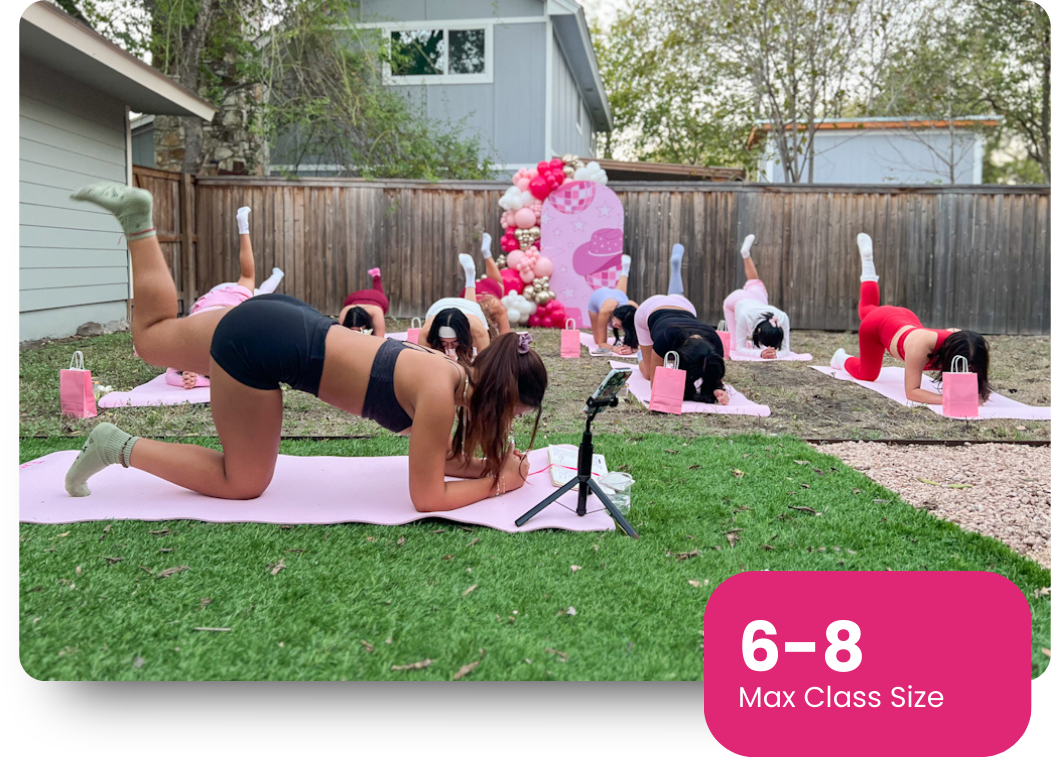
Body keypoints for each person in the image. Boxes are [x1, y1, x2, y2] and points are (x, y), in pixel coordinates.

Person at [63, 182, 548, 513]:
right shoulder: (441, 398)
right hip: (261, 346)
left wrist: (492, 462)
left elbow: (438, 458)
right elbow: (426, 495)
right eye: (517, 415)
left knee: (151, 338)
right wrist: (496, 482)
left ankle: (138, 223)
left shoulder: (449, 371)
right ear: (501, 399)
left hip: (283, 319)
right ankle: (116, 446)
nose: (512, 425)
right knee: (244, 482)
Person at [831, 233, 991, 405]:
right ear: (950, 354)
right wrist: (952, 400)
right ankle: (840, 358)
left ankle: (869, 262)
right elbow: (912, 392)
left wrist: (977, 393)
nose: (967, 371)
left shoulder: (966, 343)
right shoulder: (920, 348)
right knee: (867, 373)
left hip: (906, 319)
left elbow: (977, 385)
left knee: (867, 308)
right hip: (877, 325)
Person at [169, 206, 282, 389]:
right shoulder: (221, 351)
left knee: (252, 282)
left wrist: (199, 380)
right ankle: (275, 272)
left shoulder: (196, 350)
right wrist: (198, 380)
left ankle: (248, 233)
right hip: (218, 302)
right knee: (256, 285)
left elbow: (170, 374)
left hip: (218, 302)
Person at [635, 243, 729, 405]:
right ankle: (640, 354)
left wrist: (717, 389)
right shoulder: (664, 339)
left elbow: (713, 376)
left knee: (674, 296)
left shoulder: (715, 345)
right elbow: (657, 386)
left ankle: (676, 267)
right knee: (649, 373)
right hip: (649, 310)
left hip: (685, 307)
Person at [722, 234, 792, 359]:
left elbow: (786, 349)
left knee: (755, 281)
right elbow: (739, 348)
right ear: (758, 331)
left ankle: (745, 254)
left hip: (757, 300)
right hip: (737, 301)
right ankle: (745, 254)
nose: (769, 348)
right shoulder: (744, 317)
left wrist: (776, 354)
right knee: (733, 346)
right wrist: (760, 353)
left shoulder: (782, 318)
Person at [587, 254, 637, 355]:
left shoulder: (635, 309)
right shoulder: (606, 311)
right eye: (614, 321)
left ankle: (625, 271)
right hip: (597, 298)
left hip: (620, 297)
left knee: (621, 295)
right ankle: (625, 272)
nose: (613, 325)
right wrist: (615, 349)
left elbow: (647, 342)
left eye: (617, 325)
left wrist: (634, 348)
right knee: (596, 340)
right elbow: (601, 343)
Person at [339, 267, 388, 338]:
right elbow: (338, 338)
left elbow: (380, 340)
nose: (356, 333)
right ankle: (376, 274)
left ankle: (376, 276)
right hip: (354, 297)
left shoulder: (376, 313)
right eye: (353, 330)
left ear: (366, 324)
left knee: (379, 292)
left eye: (359, 330)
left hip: (377, 298)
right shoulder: (345, 312)